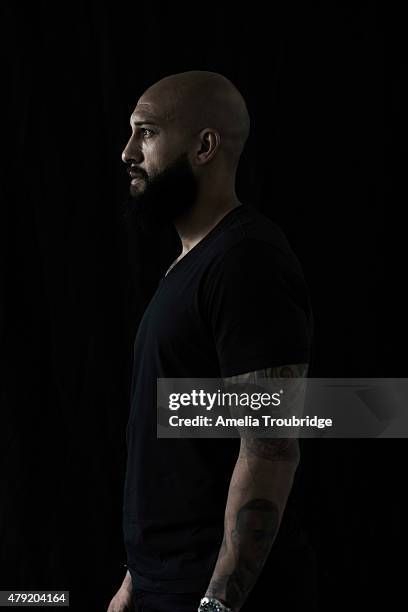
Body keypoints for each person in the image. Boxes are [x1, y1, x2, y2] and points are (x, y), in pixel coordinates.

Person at [107, 71, 319, 612]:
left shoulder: (246, 260)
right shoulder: (190, 264)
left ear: (205, 146)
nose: (128, 152)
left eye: (147, 133)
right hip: (162, 582)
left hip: (207, 592)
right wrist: (137, 577)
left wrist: (218, 602)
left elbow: (269, 444)